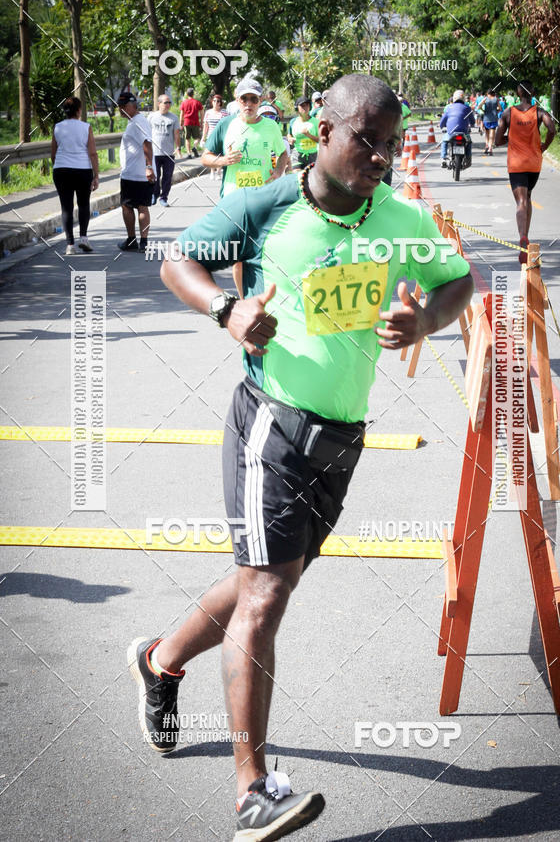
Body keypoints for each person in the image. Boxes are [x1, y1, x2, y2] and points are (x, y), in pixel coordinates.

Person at [127, 73, 473, 842]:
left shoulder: (400, 218)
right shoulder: (268, 206)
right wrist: (226, 307)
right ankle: (254, 791)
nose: (381, 157)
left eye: (390, 143)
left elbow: (460, 283)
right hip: (271, 425)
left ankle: (160, 659)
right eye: (366, 141)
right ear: (326, 131)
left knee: (264, 578)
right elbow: (179, 261)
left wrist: (424, 324)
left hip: (342, 439)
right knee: (266, 593)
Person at [495, 80, 556, 263]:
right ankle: (526, 236)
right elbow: (552, 128)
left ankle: (522, 236)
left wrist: (510, 138)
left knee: (521, 201)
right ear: (533, 92)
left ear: (518, 93)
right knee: (528, 196)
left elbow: (498, 139)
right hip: (534, 163)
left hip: (517, 164)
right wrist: (544, 145)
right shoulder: (539, 112)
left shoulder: (508, 113)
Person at [200, 77, 287, 198]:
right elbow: (205, 158)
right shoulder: (225, 124)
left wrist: (278, 171)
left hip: (263, 197)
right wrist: (223, 161)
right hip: (233, 197)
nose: (248, 104)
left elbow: (283, 153)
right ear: (237, 100)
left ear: (260, 101)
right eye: (244, 99)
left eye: (253, 99)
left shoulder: (271, 126)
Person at [50, 96, 99, 255]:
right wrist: (96, 175)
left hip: (61, 170)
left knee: (66, 208)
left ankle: (70, 245)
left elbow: (53, 154)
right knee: (83, 204)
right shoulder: (86, 127)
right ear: (79, 110)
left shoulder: (57, 127)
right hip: (82, 170)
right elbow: (92, 153)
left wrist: (59, 167)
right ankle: (84, 239)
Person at [116, 92, 156, 253]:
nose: (119, 111)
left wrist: (149, 167)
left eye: (121, 108)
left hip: (135, 173)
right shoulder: (136, 121)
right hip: (134, 172)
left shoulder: (138, 122)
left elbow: (147, 144)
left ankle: (137, 240)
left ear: (129, 106)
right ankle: (139, 241)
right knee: (139, 206)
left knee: (130, 206)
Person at [147, 94, 180, 207]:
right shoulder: (151, 117)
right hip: (154, 152)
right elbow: (146, 133)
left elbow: (176, 134)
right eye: (165, 102)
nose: (168, 105)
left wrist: (178, 147)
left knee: (167, 177)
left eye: (169, 102)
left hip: (169, 153)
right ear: (159, 103)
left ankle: (164, 197)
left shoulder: (174, 118)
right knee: (154, 176)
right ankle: (154, 195)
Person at [439, 89, 475, 168]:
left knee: (444, 141)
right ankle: (468, 158)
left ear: (454, 98)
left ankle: (443, 158)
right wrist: (472, 125)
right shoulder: (467, 108)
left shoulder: (449, 108)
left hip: (451, 132)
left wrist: (441, 126)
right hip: (464, 132)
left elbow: (442, 121)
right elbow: (472, 121)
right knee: (469, 142)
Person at [287, 96, 319, 170]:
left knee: (310, 180)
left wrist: (309, 135)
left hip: (312, 155)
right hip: (297, 154)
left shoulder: (316, 122)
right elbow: (289, 134)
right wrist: (290, 138)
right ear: (296, 108)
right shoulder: (293, 122)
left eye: (307, 105)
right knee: (297, 177)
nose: (305, 108)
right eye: (302, 105)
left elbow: (321, 140)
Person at [179, 87, 203, 158]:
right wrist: (202, 122)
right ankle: (195, 146)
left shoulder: (184, 102)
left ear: (187, 94)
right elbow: (202, 113)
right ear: (193, 94)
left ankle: (189, 154)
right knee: (198, 137)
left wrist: (181, 123)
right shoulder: (197, 102)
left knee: (187, 138)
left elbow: (181, 114)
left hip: (186, 122)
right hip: (195, 122)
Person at [482, 89, 500, 155]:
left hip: (486, 118)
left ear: (487, 93)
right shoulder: (496, 99)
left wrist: (483, 110)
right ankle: (490, 148)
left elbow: (479, 106)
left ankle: (487, 145)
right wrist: (496, 111)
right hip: (494, 118)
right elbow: (500, 109)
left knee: (487, 133)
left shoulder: (485, 99)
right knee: (492, 135)